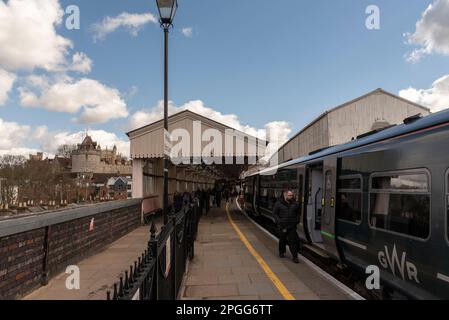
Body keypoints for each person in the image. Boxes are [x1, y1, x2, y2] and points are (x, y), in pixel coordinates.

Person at [273, 189, 301, 264]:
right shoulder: (278, 203)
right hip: (283, 226)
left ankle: (295, 257)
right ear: (285, 195)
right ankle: (281, 252)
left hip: (292, 226)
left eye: (292, 195)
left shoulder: (295, 204)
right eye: (289, 195)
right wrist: (279, 221)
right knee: (282, 240)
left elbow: (298, 213)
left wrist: (297, 221)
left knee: (293, 242)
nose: (291, 196)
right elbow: (275, 214)